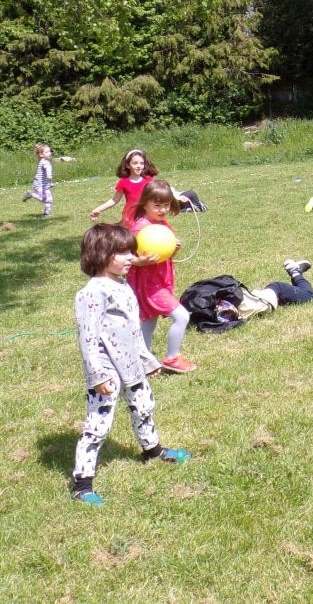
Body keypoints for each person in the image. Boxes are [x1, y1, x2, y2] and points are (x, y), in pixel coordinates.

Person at [70, 222, 190, 506]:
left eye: (130, 252)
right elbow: (88, 338)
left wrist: (147, 361)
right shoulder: (92, 293)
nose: (130, 258)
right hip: (107, 372)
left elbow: (133, 331)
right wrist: (97, 375)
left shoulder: (123, 286)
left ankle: (152, 450)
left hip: (132, 366)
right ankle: (82, 483)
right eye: (123, 253)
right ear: (101, 255)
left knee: (144, 406)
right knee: (98, 424)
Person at [128, 179, 196, 373]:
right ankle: (172, 358)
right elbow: (124, 256)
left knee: (149, 321)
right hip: (149, 286)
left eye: (166, 205)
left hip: (160, 281)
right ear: (145, 204)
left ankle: (143, 363)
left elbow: (163, 254)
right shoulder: (140, 228)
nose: (163, 210)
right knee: (181, 316)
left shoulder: (161, 224)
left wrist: (174, 249)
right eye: (157, 205)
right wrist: (139, 262)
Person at [21, 143, 54, 217]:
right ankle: (31, 194)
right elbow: (47, 170)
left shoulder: (43, 160)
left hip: (44, 185)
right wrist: (49, 176)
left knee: (49, 200)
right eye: (47, 152)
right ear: (41, 154)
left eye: (50, 151)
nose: (49, 153)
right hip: (40, 185)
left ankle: (46, 214)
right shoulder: (45, 162)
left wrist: (50, 183)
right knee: (46, 199)